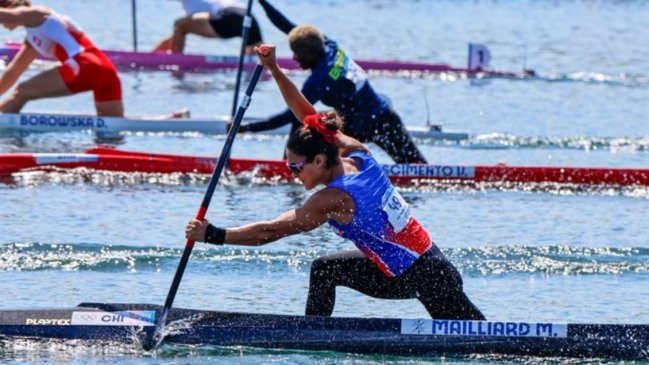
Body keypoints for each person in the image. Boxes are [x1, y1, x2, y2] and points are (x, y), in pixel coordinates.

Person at [185, 44, 485, 320]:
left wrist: (212, 234)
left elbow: (271, 230)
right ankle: (313, 332)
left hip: (427, 276)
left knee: (485, 346)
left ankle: (313, 335)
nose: (292, 174)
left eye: (294, 167)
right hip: (411, 268)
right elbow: (308, 116)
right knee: (325, 269)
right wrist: (274, 69)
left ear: (318, 161)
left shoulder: (333, 198)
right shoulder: (357, 152)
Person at [237, 0, 426, 164]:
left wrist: (249, 126)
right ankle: (291, 163)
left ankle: (291, 164)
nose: (294, 58)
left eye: (297, 54)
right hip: (358, 124)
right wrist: (262, 2)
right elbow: (289, 27)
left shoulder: (319, 79)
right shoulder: (328, 44)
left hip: (380, 123)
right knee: (308, 124)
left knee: (419, 170)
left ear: (308, 54)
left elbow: (288, 115)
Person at [0, 0, 123, 116]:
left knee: (22, 91)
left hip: (83, 66)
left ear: (9, 8)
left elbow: (8, 15)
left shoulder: (37, 13)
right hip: (106, 69)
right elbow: (13, 72)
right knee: (112, 127)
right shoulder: (33, 40)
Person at [154, 0, 262, 55]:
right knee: (256, 59)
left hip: (229, 15)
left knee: (180, 25)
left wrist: (153, 55)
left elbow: (179, 30)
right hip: (249, 17)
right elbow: (175, 35)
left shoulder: (188, 2)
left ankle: (175, 60)